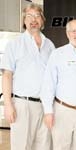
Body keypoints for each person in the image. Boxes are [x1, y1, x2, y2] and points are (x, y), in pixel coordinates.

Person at [0, 3, 55, 150]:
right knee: (21, 147)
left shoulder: (49, 45)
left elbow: (53, 77)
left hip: (45, 106)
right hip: (22, 105)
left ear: (42, 20)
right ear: (24, 21)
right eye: (29, 16)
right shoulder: (14, 44)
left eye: (37, 16)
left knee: (44, 146)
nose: (33, 20)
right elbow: (7, 76)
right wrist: (8, 104)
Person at [40, 19, 76, 150]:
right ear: (68, 33)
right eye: (74, 31)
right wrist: (48, 112)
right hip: (62, 111)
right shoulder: (57, 53)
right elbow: (48, 84)